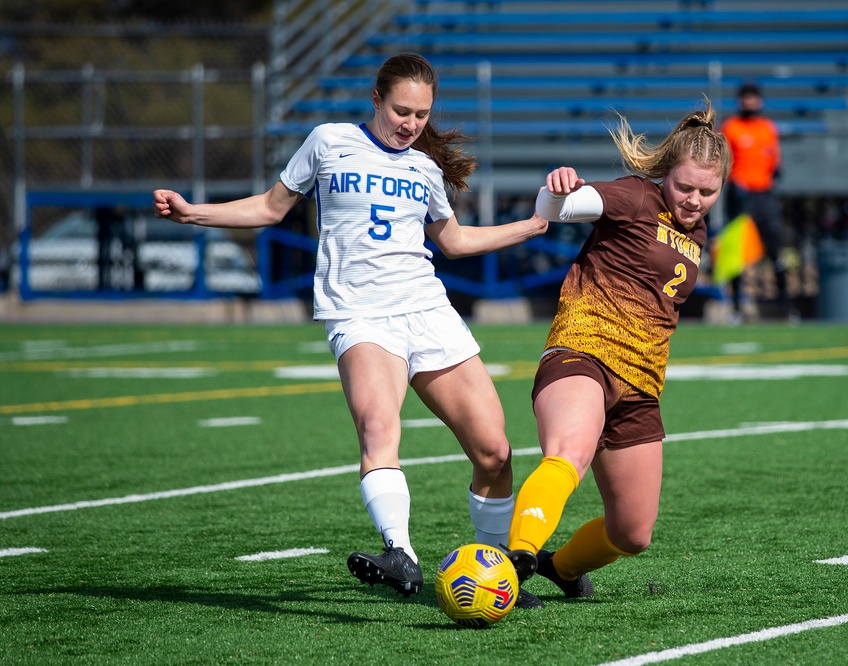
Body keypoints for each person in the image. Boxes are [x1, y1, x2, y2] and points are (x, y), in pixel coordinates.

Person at [152, 52, 548, 607]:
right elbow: (270, 208)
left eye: (421, 115)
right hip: (360, 313)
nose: (410, 124)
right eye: (401, 110)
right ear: (376, 100)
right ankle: (400, 555)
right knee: (378, 427)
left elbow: (453, 242)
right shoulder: (328, 141)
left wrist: (533, 225)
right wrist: (194, 213)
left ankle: (494, 570)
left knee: (495, 452)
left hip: (428, 310)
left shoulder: (426, 170)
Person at [503, 103, 732, 600]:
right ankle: (514, 561)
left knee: (633, 532)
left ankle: (559, 568)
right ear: (665, 174)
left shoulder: (697, 231)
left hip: (642, 383)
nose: (695, 200)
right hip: (583, 352)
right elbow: (555, 210)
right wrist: (556, 188)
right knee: (569, 453)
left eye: (707, 192)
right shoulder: (635, 196)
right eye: (685, 187)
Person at [719, 82, 796, 322]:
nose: (749, 102)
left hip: (765, 196)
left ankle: (787, 306)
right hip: (741, 196)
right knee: (737, 252)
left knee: (776, 249)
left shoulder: (767, 128)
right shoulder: (731, 127)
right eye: (745, 98)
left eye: (753, 98)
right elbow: (723, 161)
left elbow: (776, 161)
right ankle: (736, 308)